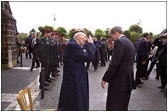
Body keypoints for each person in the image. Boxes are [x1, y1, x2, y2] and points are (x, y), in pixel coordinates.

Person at [58, 32, 96, 111]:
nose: (86, 39)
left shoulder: (73, 44)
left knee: (73, 99)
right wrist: (91, 45)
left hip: (74, 75)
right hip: (74, 76)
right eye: (84, 37)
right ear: (78, 37)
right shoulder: (73, 45)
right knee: (76, 98)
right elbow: (88, 57)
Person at [101, 26, 135, 111]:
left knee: (114, 106)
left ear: (115, 32)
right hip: (127, 79)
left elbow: (115, 63)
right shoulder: (129, 42)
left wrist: (105, 78)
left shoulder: (119, 42)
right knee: (123, 105)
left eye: (111, 36)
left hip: (119, 81)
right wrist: (111, 48)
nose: (111, 38)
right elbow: (123, 57)